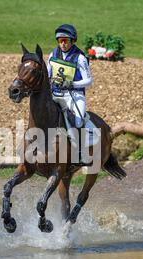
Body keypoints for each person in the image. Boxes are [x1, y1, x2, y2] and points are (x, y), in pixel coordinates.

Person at [46, 23, 93, 164]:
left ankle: (81, 152)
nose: (63, 44)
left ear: (72, 41)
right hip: (56, 94)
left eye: (66, 41)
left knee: (78, 120)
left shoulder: (80, 58)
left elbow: (89, 81)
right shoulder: (53, 54)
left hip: (74, 95)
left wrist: (72, 84)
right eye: (60, 41)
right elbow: (48, 75)